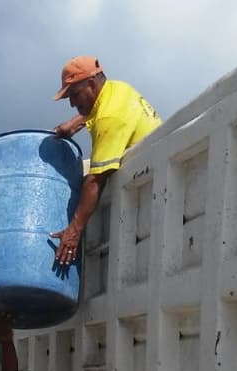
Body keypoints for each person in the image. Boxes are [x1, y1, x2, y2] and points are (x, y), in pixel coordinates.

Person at [50, 55, 161, 266]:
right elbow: (104, 109)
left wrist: (73, 232)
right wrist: (76, 122)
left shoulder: (108, 119)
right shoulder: (118, 89)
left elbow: (95, 180)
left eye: (74, 95)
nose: (72, 103)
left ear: (91, 84)